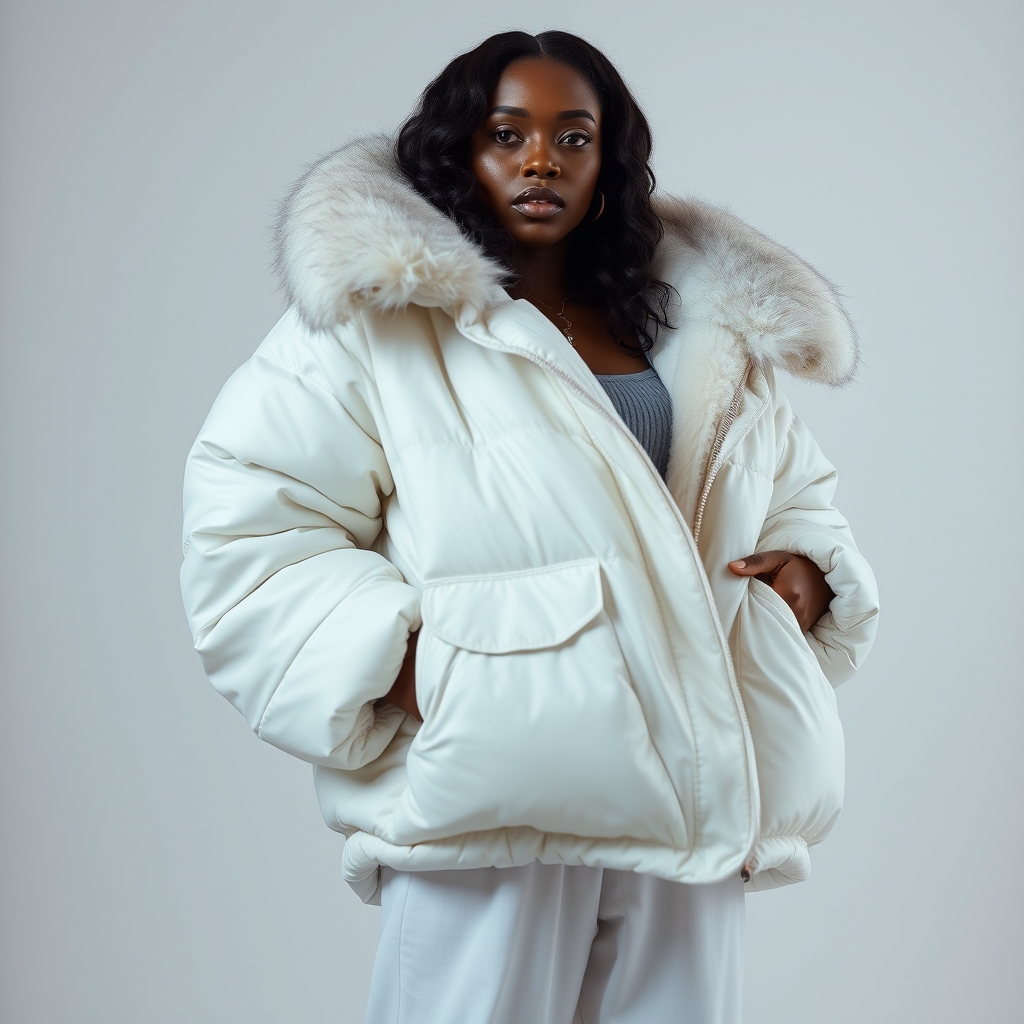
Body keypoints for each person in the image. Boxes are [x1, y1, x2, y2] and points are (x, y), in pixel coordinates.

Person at [180, 29, 879, 1024]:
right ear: (459, 149)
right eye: (506, 133)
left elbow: (796, 491)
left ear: (608, 161)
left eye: (572, 135)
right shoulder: (381, 323)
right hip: (499, 786)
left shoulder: (699, 328)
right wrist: (422, 669)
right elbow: (249, 530)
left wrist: (808, 574)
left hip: (693, 786)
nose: (540, 159)